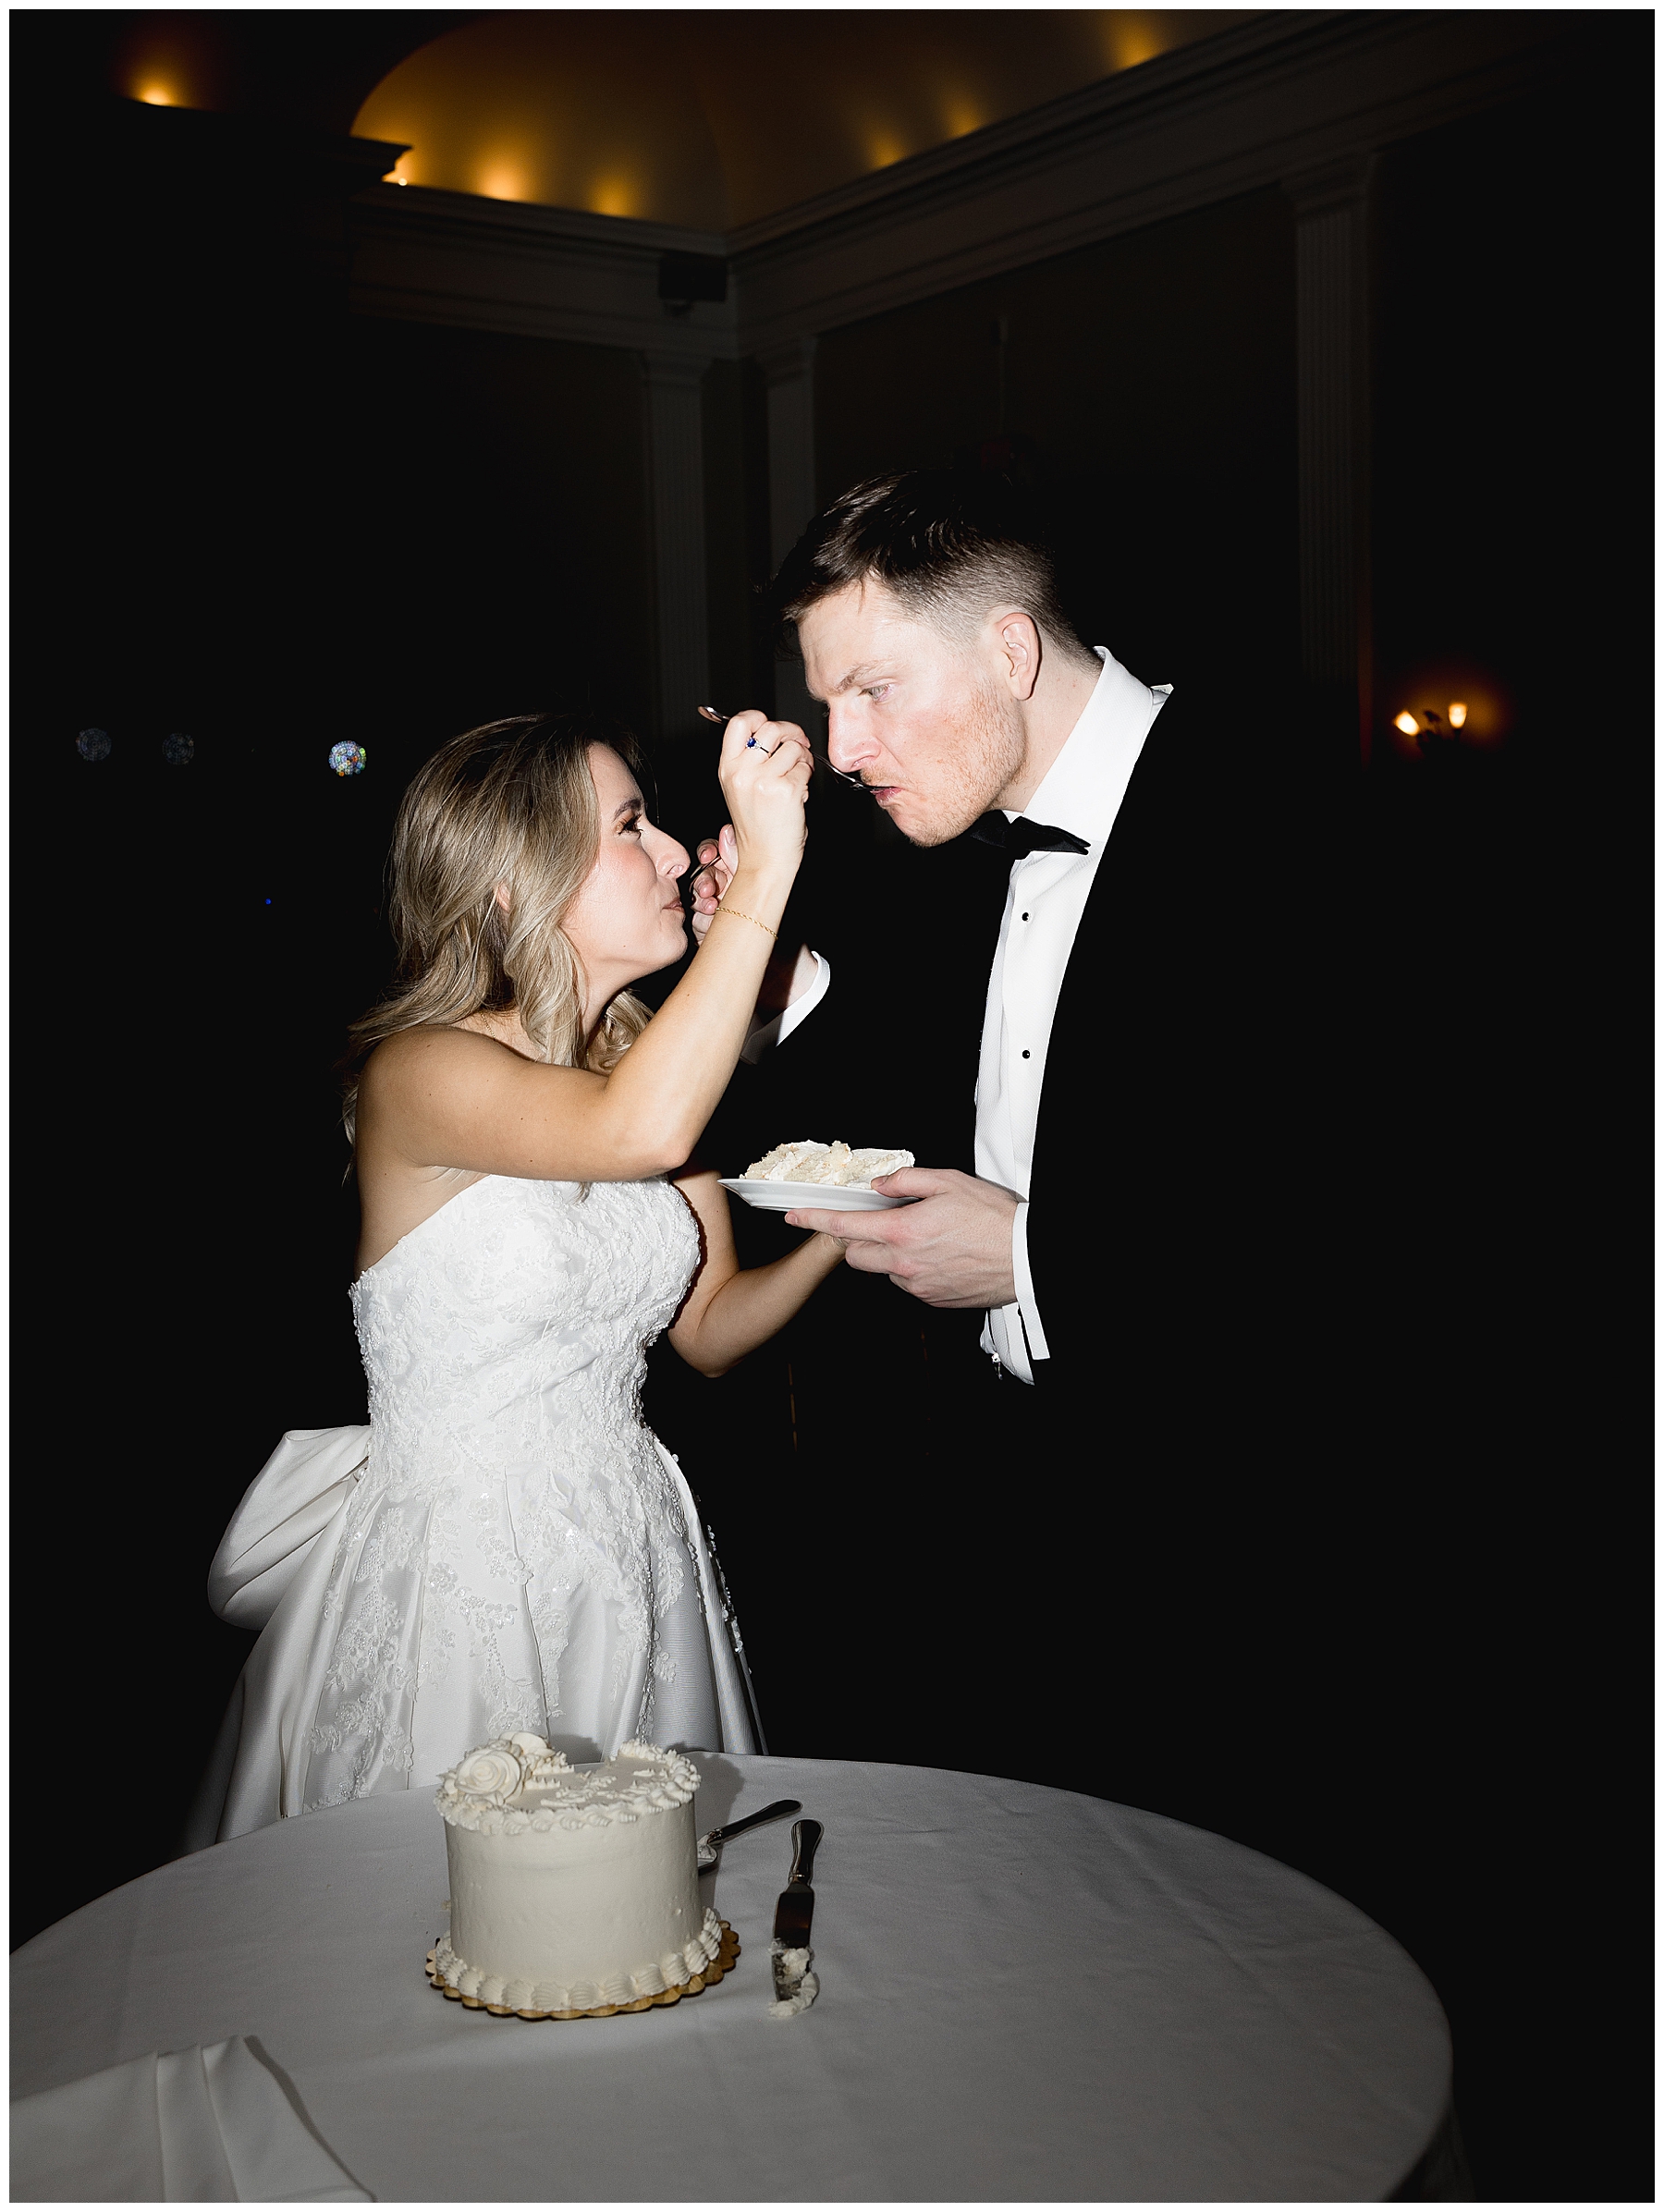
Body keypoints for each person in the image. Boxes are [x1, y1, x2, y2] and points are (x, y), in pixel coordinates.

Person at [686, 470, 1335, 1826]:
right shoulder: (960, 839)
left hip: (1240, 1527)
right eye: (824, 704)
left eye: (870, 690)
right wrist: (778, 985)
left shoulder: (1287, 811)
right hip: (1019, 1506)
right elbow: (961, 1087)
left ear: (1011, 647)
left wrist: (1037, 1254)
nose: (843, 744)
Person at [188, 707, 840, 1848]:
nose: (681, 852)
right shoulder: (423, 1072)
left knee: (642, 1913)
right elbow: (641, 1131)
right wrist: (764, 876)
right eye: (634, 826)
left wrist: (844, 1231)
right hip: (463, 1572)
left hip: (634, 1545)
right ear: (510, 884)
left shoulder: (639, 1071)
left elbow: (712, 1331)